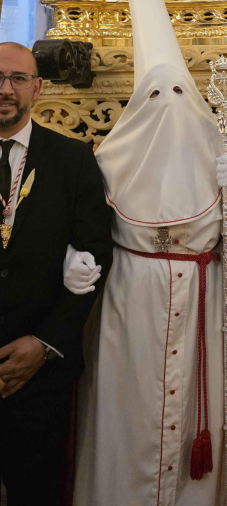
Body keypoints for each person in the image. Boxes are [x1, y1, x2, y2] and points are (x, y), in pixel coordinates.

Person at [75, 0, 227, 506]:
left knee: (203, 418)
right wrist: (79, 259)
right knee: (127, 411)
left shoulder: (218, 149)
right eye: (154, 93)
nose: (167, 104)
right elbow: (85, 226)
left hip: (205, 300)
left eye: (177, 92)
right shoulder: (108, 158)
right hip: (129, 308)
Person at [0, 41, 112, 506]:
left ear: (38, 88)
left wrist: (44, 344)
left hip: (38, 373)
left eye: (18, 79)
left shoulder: (73, 160)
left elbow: (95, 257)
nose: (6, 89)